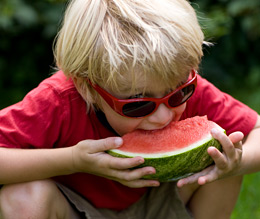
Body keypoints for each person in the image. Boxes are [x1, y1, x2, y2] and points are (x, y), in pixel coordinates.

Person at [0, 0, 259, 218]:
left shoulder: (193, 88)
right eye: (138, 104)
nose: (164, 116)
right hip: (76, 209)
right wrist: (73, 160)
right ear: (85, 86)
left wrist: (236, 164)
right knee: (22, 197)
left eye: (180, 92)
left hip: (164, 200)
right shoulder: (58, 101)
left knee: (225, 157)